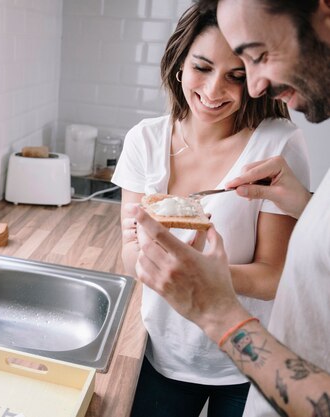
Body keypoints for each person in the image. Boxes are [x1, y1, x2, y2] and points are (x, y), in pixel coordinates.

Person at [129, 0, 330, 416]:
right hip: (164, 350)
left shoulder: (277, 143)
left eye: (253, 62)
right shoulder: (145, 139)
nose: (256, 86)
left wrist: (208, 288)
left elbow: (276, 275)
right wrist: (306, 206)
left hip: (246, 366)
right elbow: (129, 249)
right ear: (179, 63)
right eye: (203, 67)